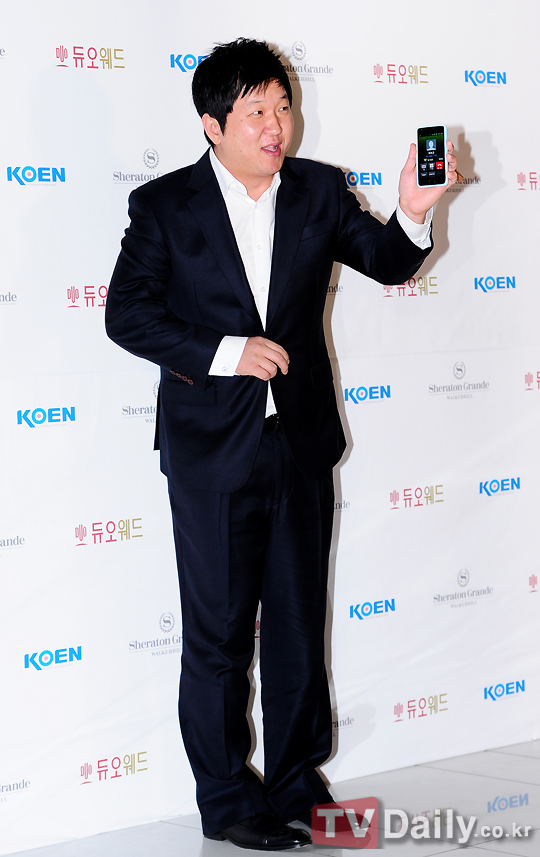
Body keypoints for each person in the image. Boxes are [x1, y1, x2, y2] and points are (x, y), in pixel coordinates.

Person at [106, 38, 458, 851]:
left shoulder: (318, 190)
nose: (276, 125)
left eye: (283, 106)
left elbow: (388, 264)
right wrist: (227, 352)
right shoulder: (164, 206)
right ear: (212, 124)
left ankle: (299, 781)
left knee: (299, 624)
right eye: (256, 110)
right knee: (221, 637)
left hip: (297, 443)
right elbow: (127, 314)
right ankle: (229, 797)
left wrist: (413, 209)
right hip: (212, 452)